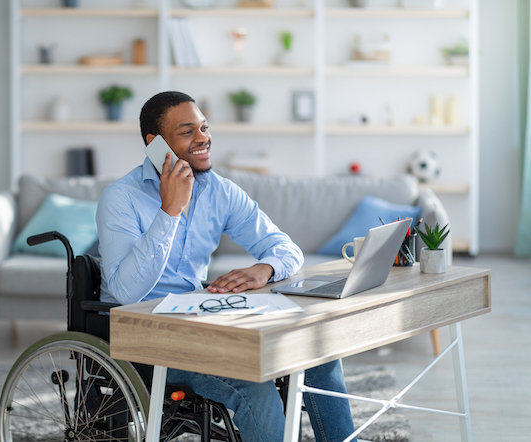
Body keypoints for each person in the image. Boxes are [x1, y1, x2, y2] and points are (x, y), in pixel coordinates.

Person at [96, 91, 356, 442]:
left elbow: (286, 249)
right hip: (144, 337)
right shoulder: (120, 199)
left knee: (319, 354)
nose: (203, 138)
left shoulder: (221, 192)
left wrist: (264, 268)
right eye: (188, 131)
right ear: (155, 144)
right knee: (257, 387)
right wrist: (169, 211)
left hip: (201, 324)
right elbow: (126, 291)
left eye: (203, 128)